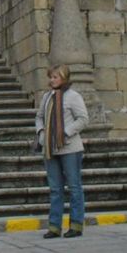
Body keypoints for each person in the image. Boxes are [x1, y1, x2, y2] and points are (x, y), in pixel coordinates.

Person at [34, 63, 89, 239]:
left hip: (70, 148)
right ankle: (54, 227)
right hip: (50, 148)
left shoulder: (73, 96)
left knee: (74, 187)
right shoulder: (47, 97)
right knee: (55, 189)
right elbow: (39, 117)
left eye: (55, 77)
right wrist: (42, 133)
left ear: (64, 78)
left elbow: (83, 119)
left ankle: (76, 225)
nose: (52, 80)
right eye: (51, 77)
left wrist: (65, 133)